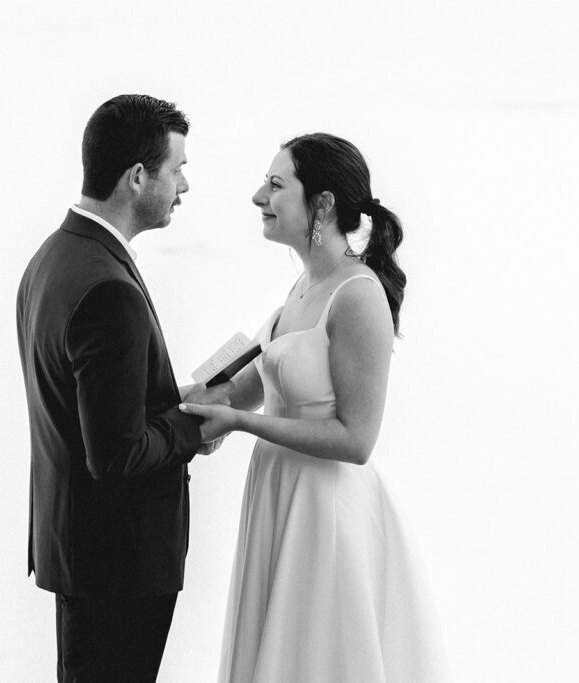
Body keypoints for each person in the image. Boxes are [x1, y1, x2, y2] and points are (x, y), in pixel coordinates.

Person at [180, 133, 448, 682]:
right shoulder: (301, 287)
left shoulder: (358, 295)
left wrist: (236, 422)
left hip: (327, 512)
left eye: (276, 185)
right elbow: (248, 383)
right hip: (279, 497)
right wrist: (199, 402)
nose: (259, 196)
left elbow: (356, 439)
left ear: (322, 204)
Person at [16, 94, 232, 682]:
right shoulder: (109, 288)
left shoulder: (53, 258)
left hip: (78, 551)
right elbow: (116, 454)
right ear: (138, 177)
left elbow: (88, 407)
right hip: (119, 565)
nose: (184, 186)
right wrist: (194, 424)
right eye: (177, 169)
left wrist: (176, 397)